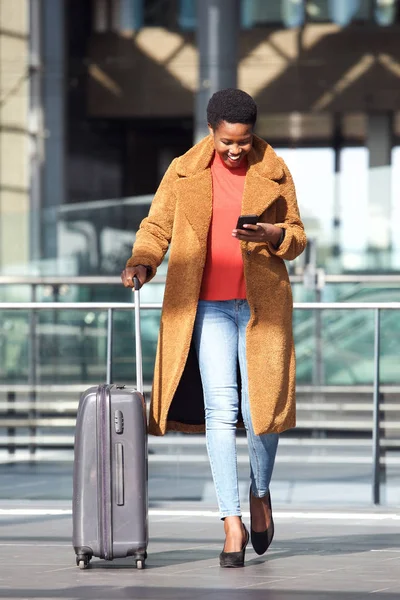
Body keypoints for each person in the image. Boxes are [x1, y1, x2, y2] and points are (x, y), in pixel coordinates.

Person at [121, 88, 307, 568]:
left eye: (243, 141)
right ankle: (231, 521)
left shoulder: (274, 169)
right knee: (220, 409)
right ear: (211, 131)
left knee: (261, 408)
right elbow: (156, 227)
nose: (234, 150)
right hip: (205, 307)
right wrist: (143, 260)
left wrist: (273, 235)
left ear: (253, 134)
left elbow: (298, 236)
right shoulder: (184, 170)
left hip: (261, 308)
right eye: (227, 141)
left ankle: (260, 490)